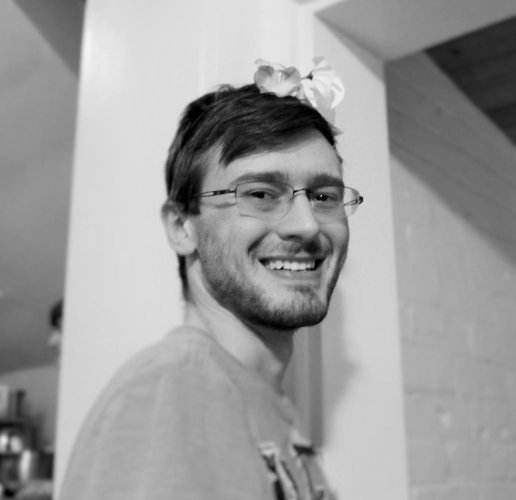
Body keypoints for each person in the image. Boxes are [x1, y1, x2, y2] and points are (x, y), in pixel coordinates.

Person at [59, 58, 363, 500]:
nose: (308, 225)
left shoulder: (264, 410)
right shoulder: (168, 397)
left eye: (324, 196)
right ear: (183, 227)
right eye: (260, 194)